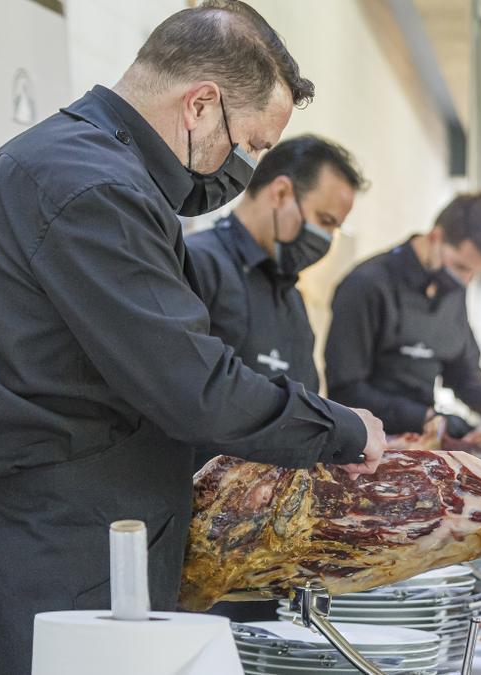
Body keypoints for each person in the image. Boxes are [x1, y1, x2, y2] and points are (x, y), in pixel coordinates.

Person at [0, 3, 386, 674]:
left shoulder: (85, 165)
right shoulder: (91, 186)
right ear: (199, 106)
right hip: (49, 560)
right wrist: (340, 428)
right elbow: (192, 385)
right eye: (250, 143)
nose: (242, 167)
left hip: (72, 546)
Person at [186, 134, 366, 622]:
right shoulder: (197, 265)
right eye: (325, 221)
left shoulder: (291, 298)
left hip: (272, 557)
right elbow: (197, 401)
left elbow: (305, 405)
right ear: (281, 192)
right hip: (197, 558)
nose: (326, 239)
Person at [324, 193, 481, 439]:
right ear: (436, 237)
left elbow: (463, 373)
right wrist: (426, 417)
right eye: (461, 267)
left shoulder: (451, 289)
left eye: (474, 273)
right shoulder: (366, 285)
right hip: (365, 444)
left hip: (421, 446)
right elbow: (346, 390)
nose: (465, 281)